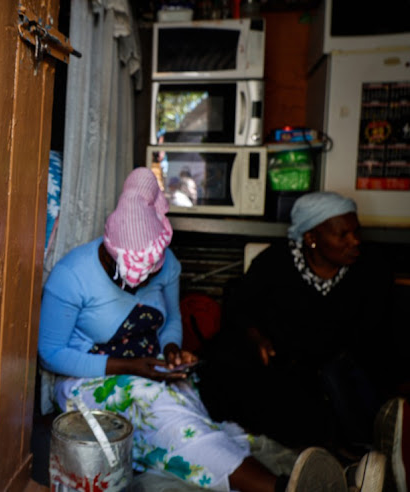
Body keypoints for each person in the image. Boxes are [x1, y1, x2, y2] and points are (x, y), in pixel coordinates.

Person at [38, 169, 357, 491]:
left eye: (151, 276)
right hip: (89, 381)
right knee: (163, 413)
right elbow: (50, 355)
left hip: (149, 370)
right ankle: (280, 487)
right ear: (111, 255)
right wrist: (131, 367)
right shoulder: (72, 276)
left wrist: (172, 350)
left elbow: (171, 321)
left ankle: (286, 482)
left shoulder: (166, 264)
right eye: (137, 278)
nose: (147, 283)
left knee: (190, 416)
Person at [198, 191, 399, 462]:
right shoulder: (276, 262)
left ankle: (363, 450)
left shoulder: (370, 268)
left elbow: (378, 332)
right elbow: (239, 306)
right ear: (311, 238)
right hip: (284, 364)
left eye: (356, 231)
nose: (355, 241)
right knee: (229, 370)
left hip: (338, 366)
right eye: (342, 235)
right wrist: (257, 337)